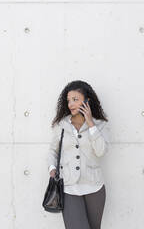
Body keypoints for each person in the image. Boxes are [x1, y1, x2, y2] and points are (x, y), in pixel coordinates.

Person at [47, 80, 111, 229]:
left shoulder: (100, 124)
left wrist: (90, 124)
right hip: (69, 188)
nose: (71, 104)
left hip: (95, 188)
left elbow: (101, 151)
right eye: (69, 100)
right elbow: (53, 151)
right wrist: (51, 168)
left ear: (87, 100)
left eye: (75, 99)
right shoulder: (62, 125)